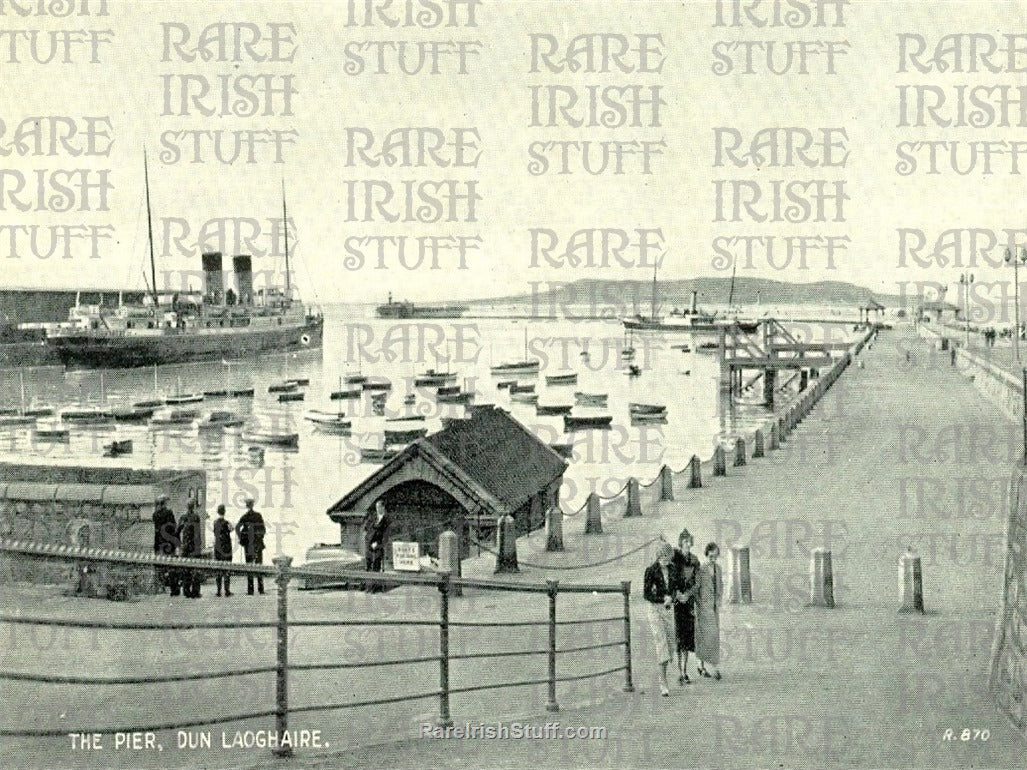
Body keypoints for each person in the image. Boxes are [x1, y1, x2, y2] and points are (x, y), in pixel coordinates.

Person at [643, 541, 677, 697]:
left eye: (667, 557)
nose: (665, 560)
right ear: (658, 557)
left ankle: (663, 674)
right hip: (655, 609)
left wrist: (673, 598)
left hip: (668, 610)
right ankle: (663, 681)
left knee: (670, 644)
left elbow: (675, 588)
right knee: (662, 643)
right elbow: (647, 594)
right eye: (663, 557)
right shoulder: (651, 571)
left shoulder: (672, 569)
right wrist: (662, 598)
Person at [670, 528, 701, 684]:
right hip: (677, 603)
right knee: (679, 637)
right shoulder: (674, 560)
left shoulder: (694, 560)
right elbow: (671, 581)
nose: (688, 544)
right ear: (680, 543)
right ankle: (681, 672)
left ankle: (684, 671)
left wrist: (688, 594)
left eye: (689, 541)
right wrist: (677, 594)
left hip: (688, 602)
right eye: (685, 542)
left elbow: (697, 582)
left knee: (687, 638)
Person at [695, 542, 724, 680]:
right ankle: (709, 666)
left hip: (714, 608)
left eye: (716, 557)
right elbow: (696, 589)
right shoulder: (701, 569)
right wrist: (699, 605)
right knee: (705, 636)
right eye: (711, 556)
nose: (713, 559)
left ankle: (703, 665)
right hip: (704, 608)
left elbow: (720, 586)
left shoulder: (718, 568)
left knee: (713, 636)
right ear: (706, 555)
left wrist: (718, 601)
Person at [235, 498, 266, 595]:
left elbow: (237, 528)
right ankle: (261, 589)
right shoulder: (258, 516)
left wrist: (242, 538)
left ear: (246, 506)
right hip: (257, 544)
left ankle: (250, 589)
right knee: (259, 565)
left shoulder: (244, 517)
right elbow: (263, 529)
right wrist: (260, 537)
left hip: (248, 544)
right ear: (253, 505)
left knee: (249, 566)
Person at [152, 494, 180, 596]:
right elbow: (173, 527)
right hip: (168, 543)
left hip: (159, 543)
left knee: (160, 567)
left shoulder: (155, 515)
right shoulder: (169, 513)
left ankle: (161, 587)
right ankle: (174, 589)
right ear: (165, 503)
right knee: (171, 566)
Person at [177, 500, 203, 598]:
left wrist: (180, 544)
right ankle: (195, 592)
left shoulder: (183, 517)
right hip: (194, 547)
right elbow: (198, 533)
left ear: (186, 506)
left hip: (185, 547)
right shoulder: (196, 517)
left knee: (186, 569)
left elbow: (177, 531)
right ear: (193, 506)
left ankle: (186, 591)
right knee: (196, 569)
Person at [364, 501, 390, 593]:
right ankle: (368, 587)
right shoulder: (372, 517)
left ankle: (374, 588)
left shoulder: (386, 520)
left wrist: (378, 544)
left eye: (379, 507)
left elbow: (385, 536)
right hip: (369, 545)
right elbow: (366, 527)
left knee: (376, 566)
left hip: (377, 546)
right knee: (368, 565)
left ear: (383, 508)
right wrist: (368, 539)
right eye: (376, 507)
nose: (378, 509)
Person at [213, 504, 233, 597]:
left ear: (218, 512)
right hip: (226, 548)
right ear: (224, 512)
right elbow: (232, 529)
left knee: (218, 569)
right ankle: (227, 590)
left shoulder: (215, 522)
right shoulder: (227, 523)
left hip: (217, 547)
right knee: (227, 569)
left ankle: (218, 590)